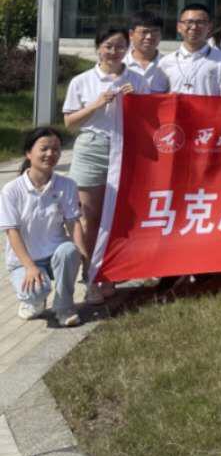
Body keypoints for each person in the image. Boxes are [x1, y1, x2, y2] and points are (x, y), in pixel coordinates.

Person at [62, 24, 139, 303]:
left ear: (127, 49)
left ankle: (111, 273)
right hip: (91, 147)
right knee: (88, 217)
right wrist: (96, 104)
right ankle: (91, 276)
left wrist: (137, 102)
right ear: (98, 48)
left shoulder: (136, 79)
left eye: (120, 46)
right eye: (108, 46)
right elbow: (69, 123)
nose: (114, 51)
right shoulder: (82, 81)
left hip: (126, 148)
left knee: (120, 217)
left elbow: (152, 121)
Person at [1, 127, 87, 327]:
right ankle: (33, 302)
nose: (50, 154)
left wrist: (84, 256)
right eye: (44, 149)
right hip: (24, 261)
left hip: (55, 253)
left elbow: (73, 223)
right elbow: (12, 232)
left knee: (70, 251)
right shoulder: (11, 190)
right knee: (37, 291)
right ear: (28, 153)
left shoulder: (67, 185)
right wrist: (30, 267)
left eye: (56, 149)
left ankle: (64, 307)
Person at [158, 4, 221, 96]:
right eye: (189, 22)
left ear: (209, 27)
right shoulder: (166, 62)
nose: (194, 27)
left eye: (200, 22)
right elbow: (159, 97)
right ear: (179, 27)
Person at [123, 11, 169, 92]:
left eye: (155, 31)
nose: (149, 37)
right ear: (131, 34)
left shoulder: (169, 64)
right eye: (144, 32)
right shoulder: (121, 65)